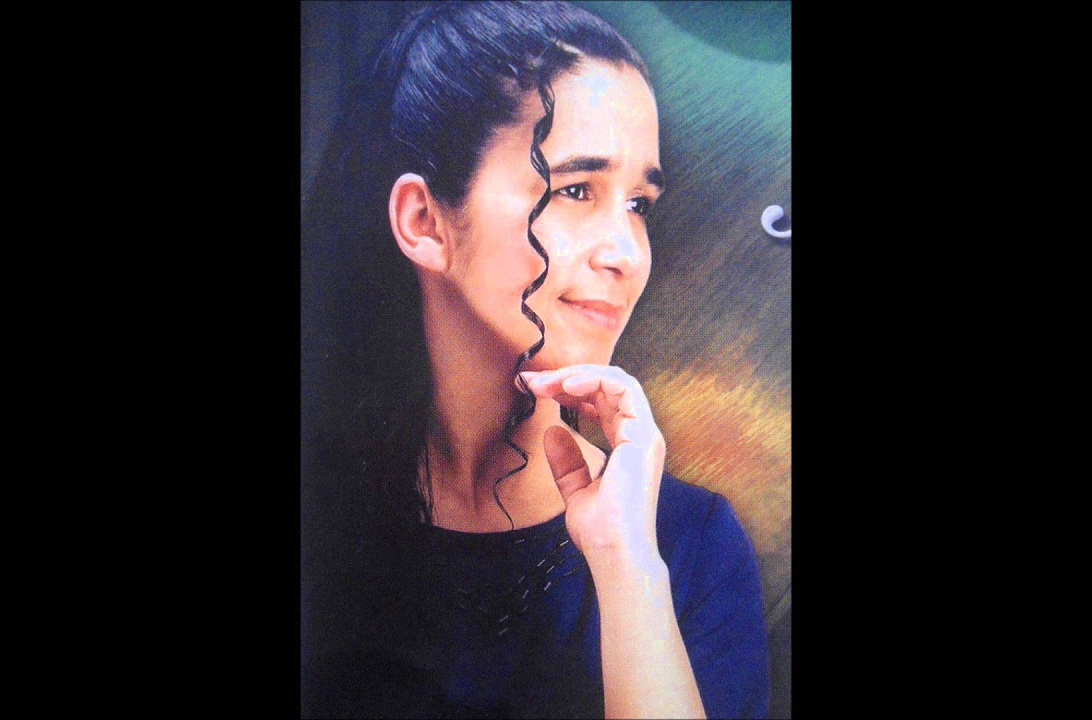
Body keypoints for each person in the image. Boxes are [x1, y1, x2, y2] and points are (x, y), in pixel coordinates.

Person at [301, 2, 770, 717]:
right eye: (575, 190)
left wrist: (625, 566)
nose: (627, 254)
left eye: (639, 204)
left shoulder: (689, 546)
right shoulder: (321, 517)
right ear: (424, 222)